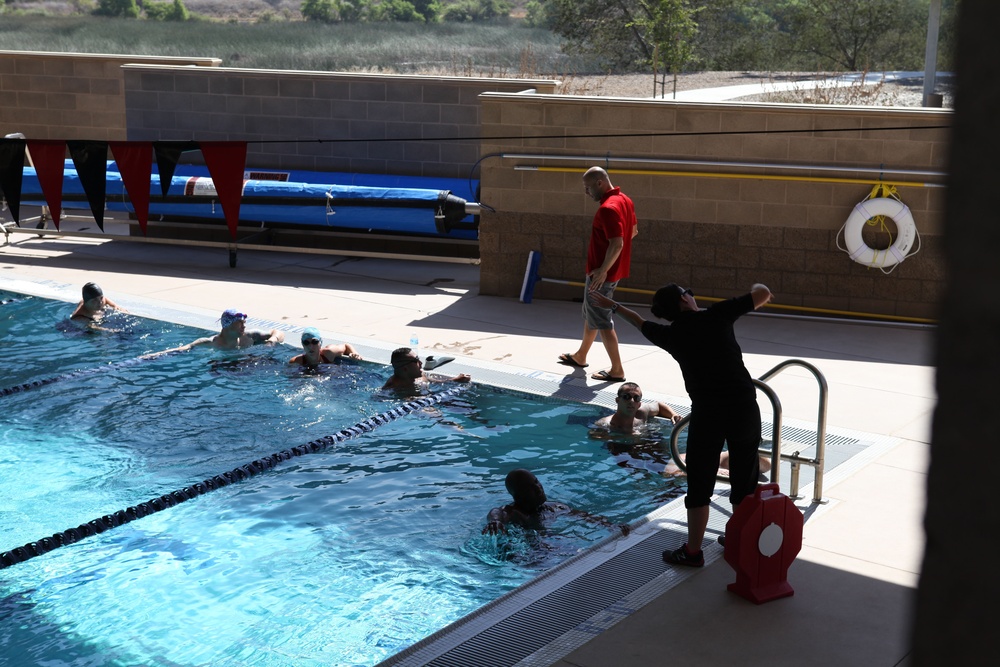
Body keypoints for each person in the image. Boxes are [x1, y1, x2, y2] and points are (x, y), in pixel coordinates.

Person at [590, 282, 773, 567]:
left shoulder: (670, 334)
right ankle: (739, 538)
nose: (692, 294)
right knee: (744, 479)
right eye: (687, 292)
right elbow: (763, 294)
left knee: (699, 484)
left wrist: (612, 306)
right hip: (743, 409)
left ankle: (693, 552)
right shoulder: (718, 315)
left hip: (708, 414)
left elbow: (639, 322)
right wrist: (755, 287)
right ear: (684, 301)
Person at [557, 166, 638, 384]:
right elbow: (633, 232)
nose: (586, 192)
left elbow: (618, 242)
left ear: (600, 183)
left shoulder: (608, 209)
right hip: (610, 272)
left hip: (602, 275)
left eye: (588, 188)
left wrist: (603, 270)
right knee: (592, 314)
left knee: (602, 321)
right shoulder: (625, 200)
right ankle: (581, 355)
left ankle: (617, 370)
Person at [482, 468, 630, 537]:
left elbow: (584, 516)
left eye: (537, 482)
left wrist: (611, 525)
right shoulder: (515, 512)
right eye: (530, 488)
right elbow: (498, 512)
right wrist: (495, 522)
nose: (538, 488)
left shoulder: (553, 507)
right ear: (517, 495)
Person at [595, 382, 682, 433]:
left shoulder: (642, 412)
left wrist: (673, 415)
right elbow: (594, 437)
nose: (632, 401)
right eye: (626, 397)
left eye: (636, 398)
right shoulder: (605, 424)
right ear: (617, 400)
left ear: (639, 404)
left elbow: (659, 405)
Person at [182, 309, 285, 351]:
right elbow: (184, 349)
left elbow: (278, 333)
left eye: (244, 323)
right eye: (239, 323)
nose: (243, 326)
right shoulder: (210, 343)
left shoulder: (250, 336)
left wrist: (271, 342)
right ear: (227, 325)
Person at [382, 346, 470, 392]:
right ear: (405, 368)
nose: (421, 363)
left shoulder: (419, 374)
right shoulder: (393, 387)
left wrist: (455, 380)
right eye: (416, 360)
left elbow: (434, 381)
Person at [288, 327, 361, 367]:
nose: (311, 346)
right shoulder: (296, 362)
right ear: (303, 345)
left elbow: (346, 346)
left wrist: (354, 353)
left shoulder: (329, 352)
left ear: (320, 343)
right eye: (306, 343)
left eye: (315, 342)